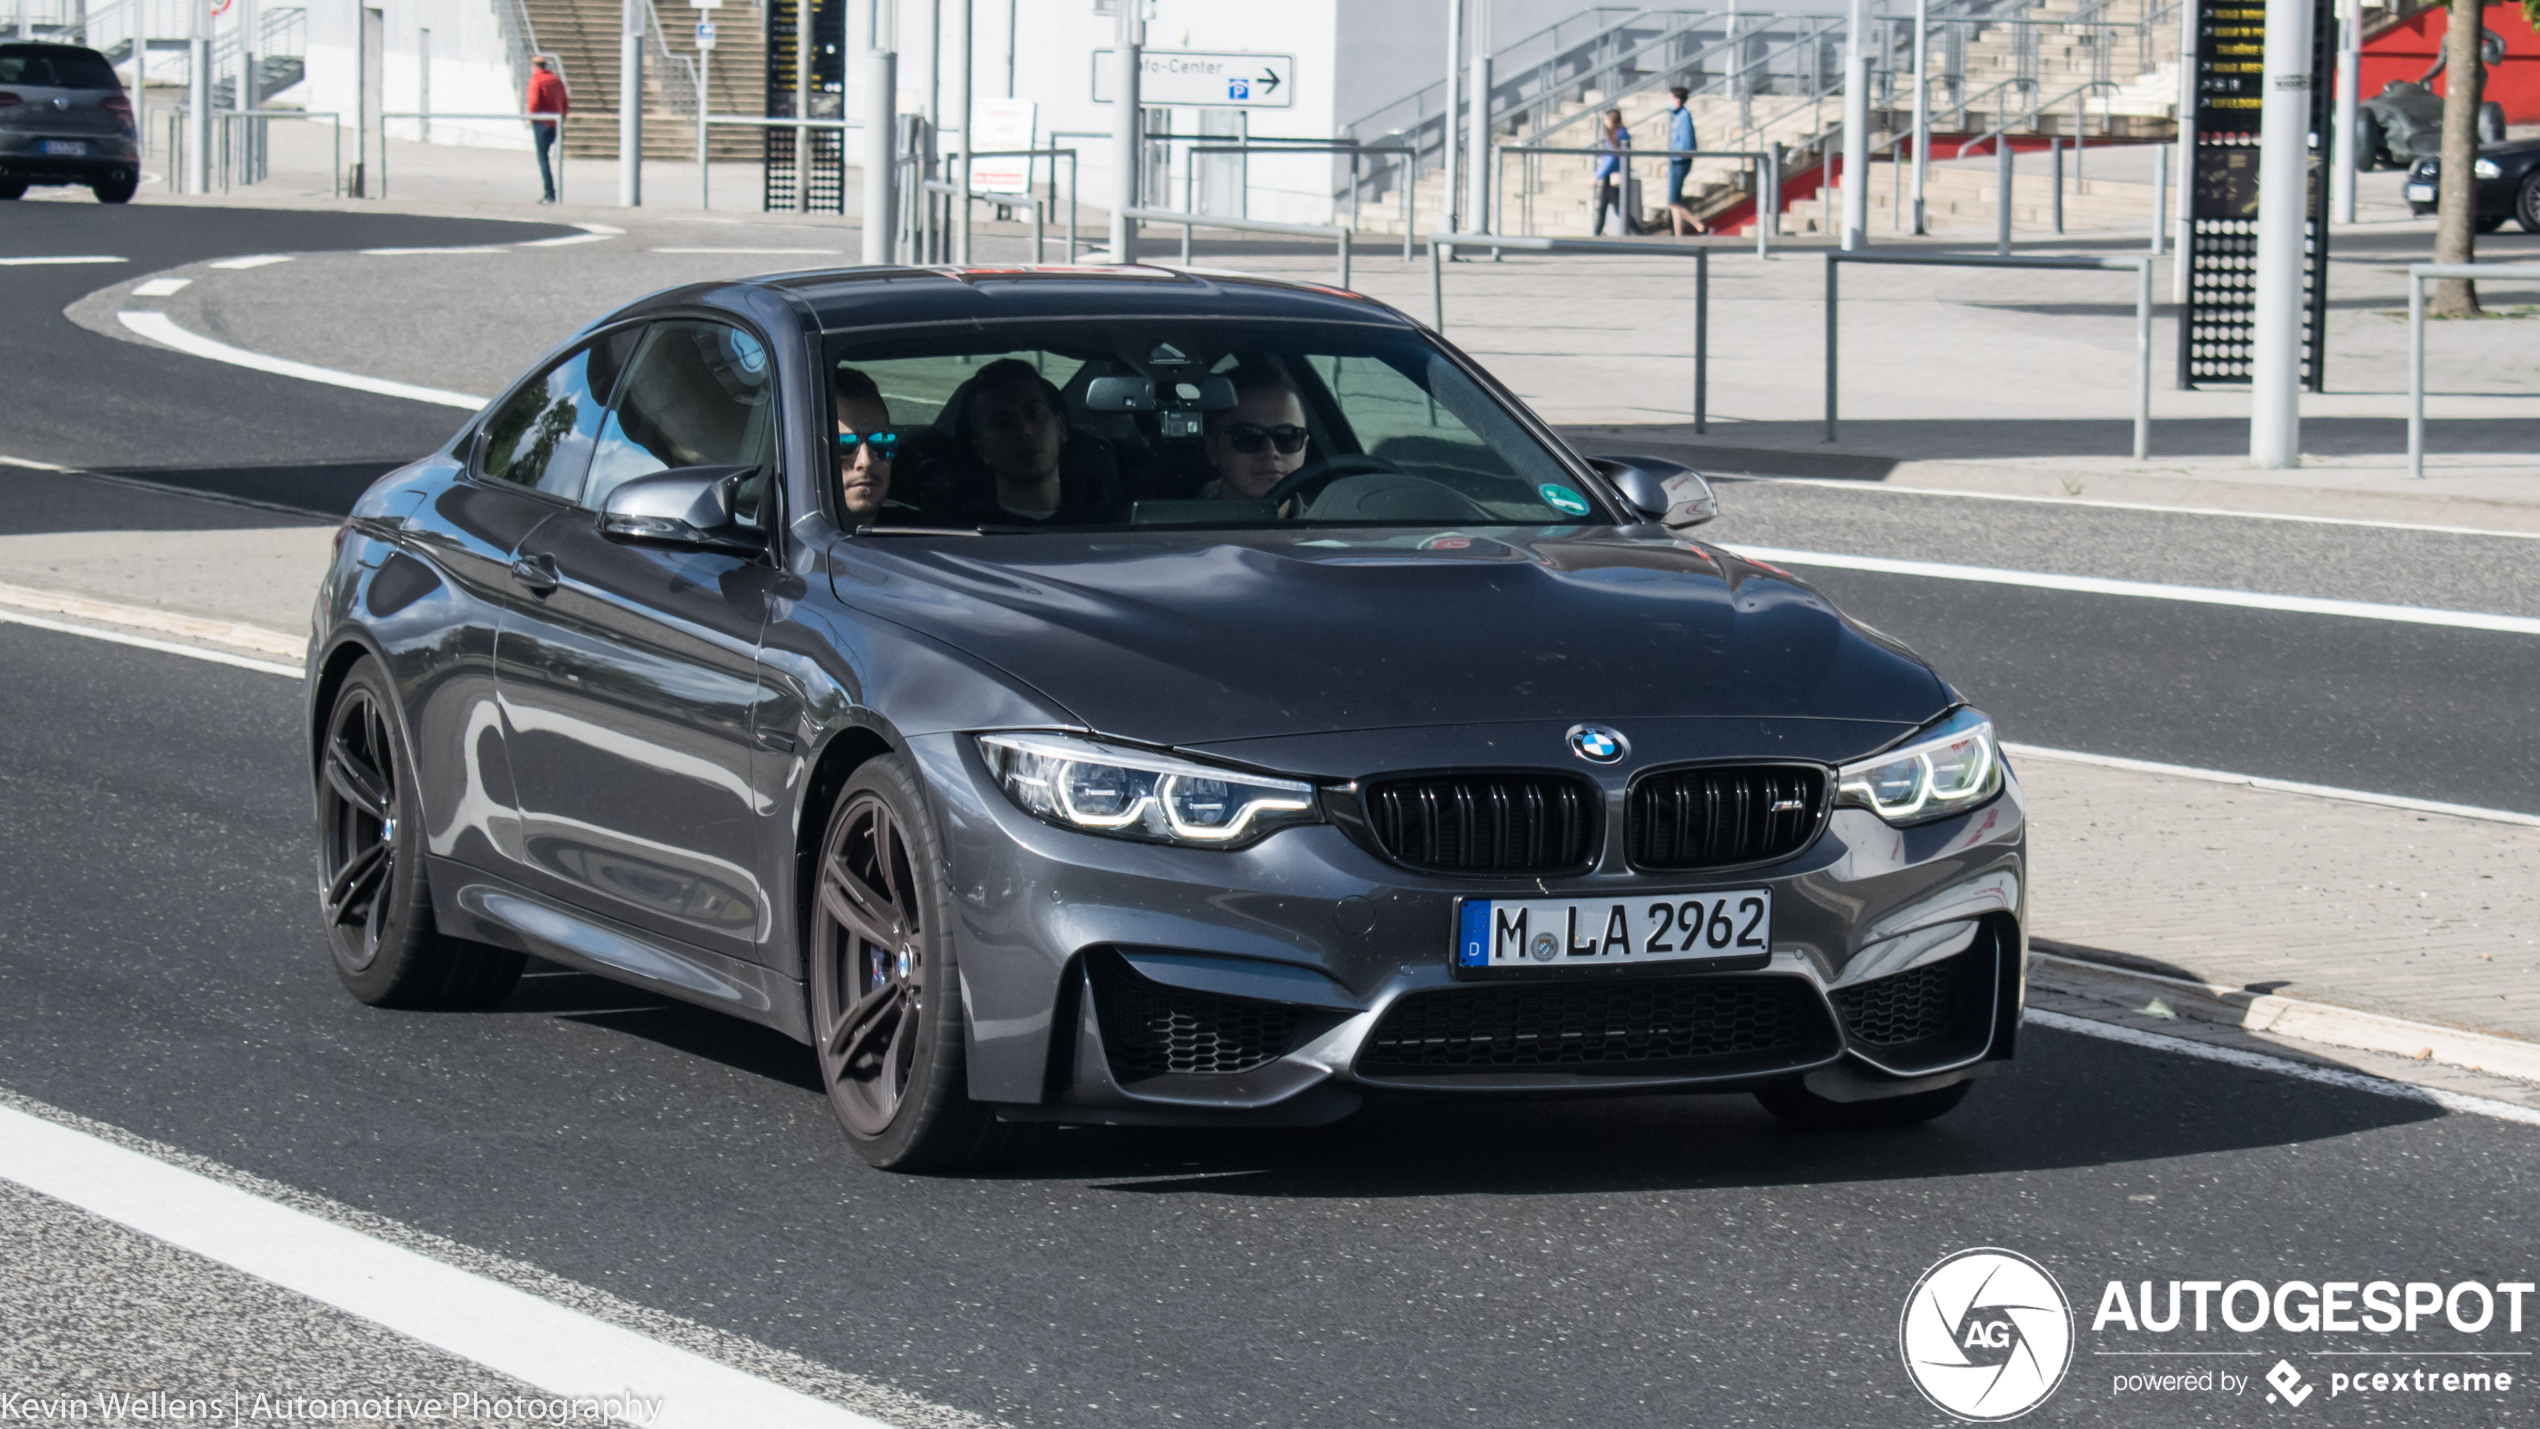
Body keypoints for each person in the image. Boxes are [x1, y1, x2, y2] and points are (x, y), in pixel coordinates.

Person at [940, 358, 1121, 525]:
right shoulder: (962, 531)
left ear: (1061, 428)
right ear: (983, 451)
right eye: (1002, 422)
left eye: (1034, 413)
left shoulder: (1110, 518)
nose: (1024, 431)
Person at [1198, 368, 1312, 506]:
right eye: (1249, 436)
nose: (1271, 452)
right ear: (1213, 449)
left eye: (1287, 436)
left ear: (1304, 446)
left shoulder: (1332, 522)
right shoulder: (1179, 525)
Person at [833, 366, 896, 524]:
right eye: (844, 445)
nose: (865, 462)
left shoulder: (926, 533)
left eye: (882, 441)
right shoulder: (777, 539)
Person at [1660, 87, 1708, 236]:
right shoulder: (1679, 116)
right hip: (1676, 161)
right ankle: (1679, 234)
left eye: (1670, 98)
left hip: (1679, 162)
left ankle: (1698, 225)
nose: (1668, 101)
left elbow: (1685, 142)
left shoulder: (1684, 116)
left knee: (1673, 202)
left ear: (1677, 100)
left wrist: (1675, 158)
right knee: (1674, 202)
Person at [526, 56, 568, 205]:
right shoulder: (557, 80)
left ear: (535, 67)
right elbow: (565, 101)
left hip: (541, 124)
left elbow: (534, 102)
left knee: (543, 158)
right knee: (546, 157)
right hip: (554, 124)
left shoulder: (536, 80)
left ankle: (549, 194)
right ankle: (550, 193)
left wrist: (530, 118)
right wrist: (562, 118)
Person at [1592, 108, 1636, 237]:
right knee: (1602, 210)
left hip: (1613, 176)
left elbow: (1610, 158)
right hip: (1609, 176)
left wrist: (1596, 176)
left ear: (1611, 120)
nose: (1605, 122)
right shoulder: (1617, 133)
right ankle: (1596, 235)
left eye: (1606, 119)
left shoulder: (1618, 134)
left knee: (1619, 209)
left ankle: (1640, 233)